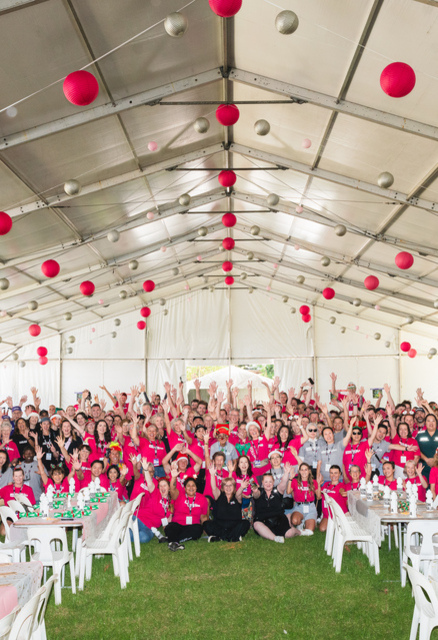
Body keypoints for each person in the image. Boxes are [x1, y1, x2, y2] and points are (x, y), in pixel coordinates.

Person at [252, 465, 312, 542]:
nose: (268, 484)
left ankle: (300, 532)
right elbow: (256, 495)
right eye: (266, 482)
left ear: (273, 482)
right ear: (262, 483)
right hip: (263, 521)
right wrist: (255, 491)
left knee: (289, 534)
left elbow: (283, 483)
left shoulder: (277, 490)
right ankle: (275, 538)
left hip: (279, 520)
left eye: (270, 481)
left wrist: (286, 473)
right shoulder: (259, 491)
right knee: (256, 524)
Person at [165, 462, 209, 551]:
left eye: (193, 485)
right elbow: (172, 489)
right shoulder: (179, 495)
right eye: (188, 486)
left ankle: (173, 540)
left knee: (198, 530)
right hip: (178, 524)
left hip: (192, 526)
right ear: (184, 488)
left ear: (196, 488)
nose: (191, 487)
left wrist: (206, 529)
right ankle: (174, 540)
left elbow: (203, 516)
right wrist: (173, 478)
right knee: (170, 527)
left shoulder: (202, 499)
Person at [203, 464, 250, 542]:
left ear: (234, 487)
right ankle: (233, 536)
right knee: (206, 524)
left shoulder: (237, 497)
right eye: (226, 486)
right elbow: (214, 488)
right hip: (220, 524)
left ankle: (220, 537)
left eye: (230, 485)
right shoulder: (219, 495)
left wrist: (241, 487)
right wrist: (212, 475)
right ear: (222, 487)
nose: (228, 488)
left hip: (234, 524)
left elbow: (238, 493)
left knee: (245, 523)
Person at [131, 460, 171, 544]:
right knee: (132, 526)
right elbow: (149, 483)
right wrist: (145, 470)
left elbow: (167, 521)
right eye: (160, 486)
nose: (162, 488)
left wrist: (169, 533)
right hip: (139, 518)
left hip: (150, 527)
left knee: (144, 538)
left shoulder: (170, 503)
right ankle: (124, 534)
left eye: (165, 485)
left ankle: (126, 535)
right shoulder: (155, 493)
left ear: (169, 488)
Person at [288, 462, 321, 533]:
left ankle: (306, 522)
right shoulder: (295, 481)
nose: (304, 472)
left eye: (306, 469)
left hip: (311, 507)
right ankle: (301, 522)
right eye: (302, 470)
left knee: (309, 531)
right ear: (299, 471)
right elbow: (288, 492)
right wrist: (290, 479)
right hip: (299, 507)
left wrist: (318, 484)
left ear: (309, 471)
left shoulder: (313, 482)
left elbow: (318, 496)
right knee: (294, 521)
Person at [319, 465, 347, 533]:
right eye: (331, 473)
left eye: (336, 473)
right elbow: (318, 496)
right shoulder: (326, 484)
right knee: (322, 529)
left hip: (337, 515)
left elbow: (342, 491)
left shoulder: (341, 485)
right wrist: (318, 484)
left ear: (340, 474)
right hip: (327, 515)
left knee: (335, 530)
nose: (333, 475)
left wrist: (343, 492)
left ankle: (339, 524)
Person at [416, 413, 438, 481]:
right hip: (423, 467)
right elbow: (416, 449)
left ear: (436, 422)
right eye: (428, 421)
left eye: (433, 421)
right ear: (425, 422)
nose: (431, 423)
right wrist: (426, 460)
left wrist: (435, 461)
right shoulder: (420, 435)